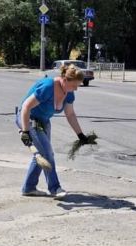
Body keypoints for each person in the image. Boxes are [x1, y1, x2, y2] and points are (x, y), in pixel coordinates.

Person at [16, 64, 90, 198]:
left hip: (43, 122)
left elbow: (70, 114)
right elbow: (26, 107)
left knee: (42, 154)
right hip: (28, 119)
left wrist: (80, 135)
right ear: (65, 80)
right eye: (75, 85)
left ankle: (29, 187)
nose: (76, 89)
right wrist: (26, 131)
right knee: (47, 153)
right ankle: (55, 188)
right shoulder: (48, 87)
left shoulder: (69, 93)